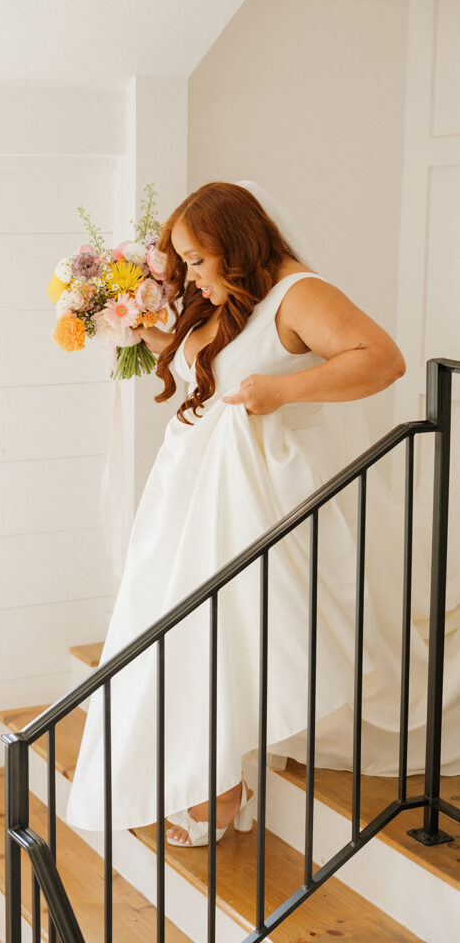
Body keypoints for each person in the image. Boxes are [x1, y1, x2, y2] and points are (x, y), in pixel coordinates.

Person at [65, 181, 459, 846]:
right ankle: (211, 770)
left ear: (233, 244)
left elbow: (381, 360)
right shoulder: (231, 302)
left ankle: (218, 776)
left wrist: (281, 391)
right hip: (211, 496)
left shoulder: (300, 294)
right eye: (181, 262)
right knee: (194, 620)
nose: (187, 274)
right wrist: (142, 323)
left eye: (194, 259)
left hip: (279, 494)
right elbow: (212, 370)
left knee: (226, 621)